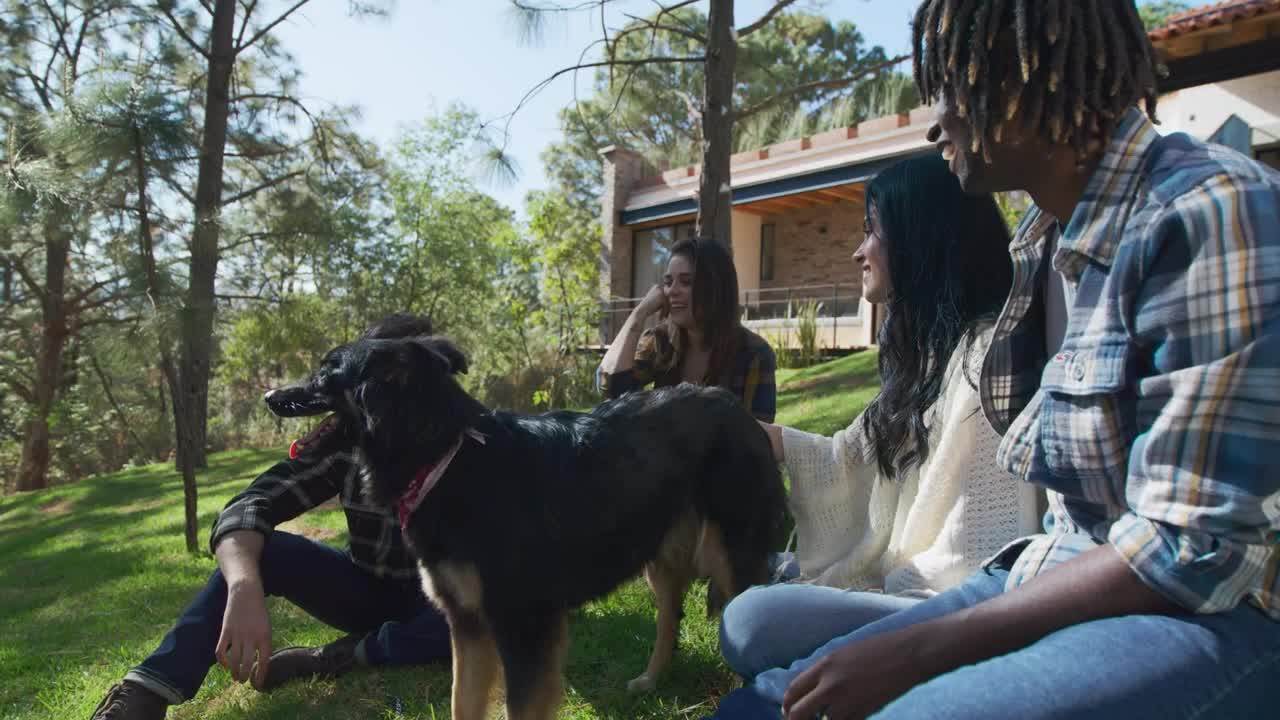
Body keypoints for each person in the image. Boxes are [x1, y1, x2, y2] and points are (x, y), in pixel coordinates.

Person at [708, 1, 1280, 718]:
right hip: (1055, 570)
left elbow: (1193, 550)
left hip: (1217, 613)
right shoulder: (1045, 244)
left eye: (951, 84)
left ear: (1022, 73)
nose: (936, 122)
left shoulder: (1206, 213)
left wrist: (922, 648)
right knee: (765, 704)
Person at [718, 154, 1040, 681]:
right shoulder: (928, 360)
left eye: (871, 231)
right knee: (762, 580)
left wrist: (881, 584)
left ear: (920, 240)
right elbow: (845, 455)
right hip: (900, 595)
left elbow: (973, 558)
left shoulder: (983, 359)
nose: (858, 251)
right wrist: (722, 425)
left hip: (943, 609)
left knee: (751, 621)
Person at [90, 314, 452, 720]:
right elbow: (251, 504)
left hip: (448, 605)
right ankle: (146, 691)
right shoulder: (347, 444)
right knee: (265, 551)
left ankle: (342, 656)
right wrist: (243, 585)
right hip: (368, 591)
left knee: (483, 617)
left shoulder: (474, 447)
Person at [598, 237, 776, 422]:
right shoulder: (660, 340)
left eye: (686, 282)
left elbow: (759, 433)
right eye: (668, 282)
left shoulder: (755, 354)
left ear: (716, 288)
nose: (672, 291)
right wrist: (638, 315)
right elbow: (612, 391)